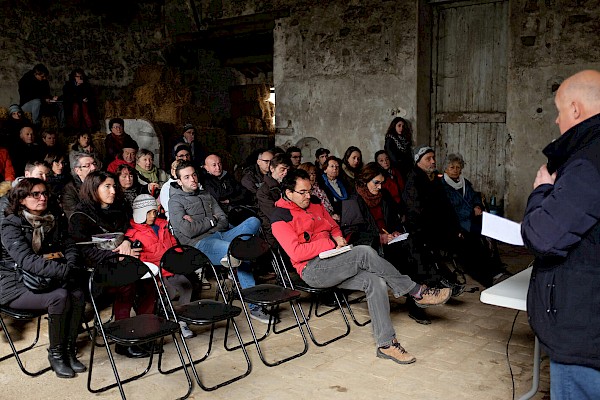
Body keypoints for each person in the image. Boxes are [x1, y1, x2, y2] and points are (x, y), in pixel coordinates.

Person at [270, 169, 451, 364]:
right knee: (364, 252)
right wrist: (331, 244)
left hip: (335, 259)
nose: (308, 195)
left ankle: (386, 344)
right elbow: (296, 252)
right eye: (303, 192)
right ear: (289, 193)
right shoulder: (280, 217)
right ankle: (417, 291)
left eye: (310, 190)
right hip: (313, 270)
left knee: (376, 281)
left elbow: (333, 226)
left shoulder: (315, 203)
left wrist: (338, 236)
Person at [521, 70, 600, 399]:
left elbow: (542, 237)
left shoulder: (588, 163)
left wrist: (541, 191)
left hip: (585, 330)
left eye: (559, 111)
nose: (556, 121)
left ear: (576, 109)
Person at [0, 178, 85, 378]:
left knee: (78, 293)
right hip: (15, 282)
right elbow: (26, 261)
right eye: (35, 194)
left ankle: (68, 350)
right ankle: (55, 354)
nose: (42, 198)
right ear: (21, 200)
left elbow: (69, 245)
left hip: (45, 277)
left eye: (44, 193)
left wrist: (71, 265)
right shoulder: (10, 225)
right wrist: (65, 271)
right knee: (60, 297)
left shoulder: (53, 218)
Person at [167, 161, 268, 323]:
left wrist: (206, 222)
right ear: (179, 181)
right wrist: (212, 220)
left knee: (253, 222)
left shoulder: (206, 194)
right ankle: (254, 307)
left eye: (193, 175)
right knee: (239, 251)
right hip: (201, 244)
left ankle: (234, 259)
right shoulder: (175, 202)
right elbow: (188, 231)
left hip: (222, 234)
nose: (192, 179)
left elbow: (223, 219)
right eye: (186, 177)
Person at [69, 171, 154, 358]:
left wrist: (128, 243)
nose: (113, 191)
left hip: (119, 265)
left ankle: (142, 332)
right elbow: (85, 253)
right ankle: (123, 341)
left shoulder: (118, 209)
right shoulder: (79, 216)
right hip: (92, 273)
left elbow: (128, 233)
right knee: (127, 283)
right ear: (93, 189)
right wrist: (118, 256)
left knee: (150, 281)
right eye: (107, 186)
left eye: (114, 186)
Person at [355, 163, 431, 324]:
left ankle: (418, 300)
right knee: (408, 256)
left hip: (389, 241)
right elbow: (353, 234)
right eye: (376, 182)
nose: (380, 186)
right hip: (371, 247)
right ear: (365, 181)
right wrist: (379, 238)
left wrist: (395, 231)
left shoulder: (384, 195)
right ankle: (418, 297)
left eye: (381, 182)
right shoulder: (354, 200)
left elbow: (394, 220)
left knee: (414, 247)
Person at [125, 194, 195, 338]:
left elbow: (174, 245)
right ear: (140, 213)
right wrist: (155, 279)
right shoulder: (134, 235)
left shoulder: (163, 225)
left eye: (155, 211)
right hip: (155, 275)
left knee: (186, 286)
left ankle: (181, 320)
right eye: (149, 212)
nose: (153, 215)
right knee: (171, 292)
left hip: (171, 269)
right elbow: (140, 261)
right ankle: (166, 317)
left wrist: (180, 261)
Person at [441, 153, 509, 287]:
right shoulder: (442, 187)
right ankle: (487, 275)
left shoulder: (464, 183)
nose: (455, 170)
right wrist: (471, 211)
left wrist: (477, 205)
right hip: (458, 223)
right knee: (475, 239)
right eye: (452, 167)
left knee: (491, 231)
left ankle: (496, 268)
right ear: (446, 169)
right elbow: (450, 210)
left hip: (471, 219)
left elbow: (475, 196)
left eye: (458, 167)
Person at [18, 64, 65, 129]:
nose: (45, 78)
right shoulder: (25, 81)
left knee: (59, 104)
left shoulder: (44, 81)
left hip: (42, 103)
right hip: (27, 104)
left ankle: (62, 127)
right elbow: (28, 96)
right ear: (36, 74)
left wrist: (52, 98)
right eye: (42, 76)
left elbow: (46, 94)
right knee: (37, 102)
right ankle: (36, 126)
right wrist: (44, 99)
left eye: (45, 76)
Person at [61, 152, 98, 218]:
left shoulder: (102, 183)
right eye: (87, 165)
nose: (93, 168)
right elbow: (75, 216)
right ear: (77, 170)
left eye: (94, 164)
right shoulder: (70, 190)